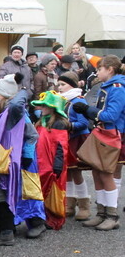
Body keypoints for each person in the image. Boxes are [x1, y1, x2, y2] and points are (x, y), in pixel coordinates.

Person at [0, 73, 44, 246]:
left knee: (2, 195)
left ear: (6, 95)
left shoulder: (14, 111)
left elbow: (32, 135)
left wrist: (22, 89)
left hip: (6, 162)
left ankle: (6, 232)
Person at [72, 55, 125, 231]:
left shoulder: (117, 87)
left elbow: (111, 115)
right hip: (104, 133)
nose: (97, 72)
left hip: (113, 134)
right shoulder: (108, 86)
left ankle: (112, 215)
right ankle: (101, 212)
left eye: (100, 69)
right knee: (97, 171)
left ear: (110, 69)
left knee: (105, 173)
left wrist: (88, 110)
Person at [31, 91, 70, 230]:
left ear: (53, 107)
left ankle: (53, 218)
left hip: (52, 165)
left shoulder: (59, 124)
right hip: (40, 162)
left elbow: (61, 147)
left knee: (53, 192)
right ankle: (40, 217)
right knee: (39, 189)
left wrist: (58, 166)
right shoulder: (41, 122)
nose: (42, 108)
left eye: (44, 105)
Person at [56, 71, 92, 220]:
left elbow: (84, 123)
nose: (59, 87)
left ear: (71, 85)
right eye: (58, 84)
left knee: (76, 172)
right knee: (67, 172)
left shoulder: (79, 100)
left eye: (63, 84)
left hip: (77, 138)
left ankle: (84, 205)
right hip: (65, 139)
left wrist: (68, 125)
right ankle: (69, 205)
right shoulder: (62, 100)